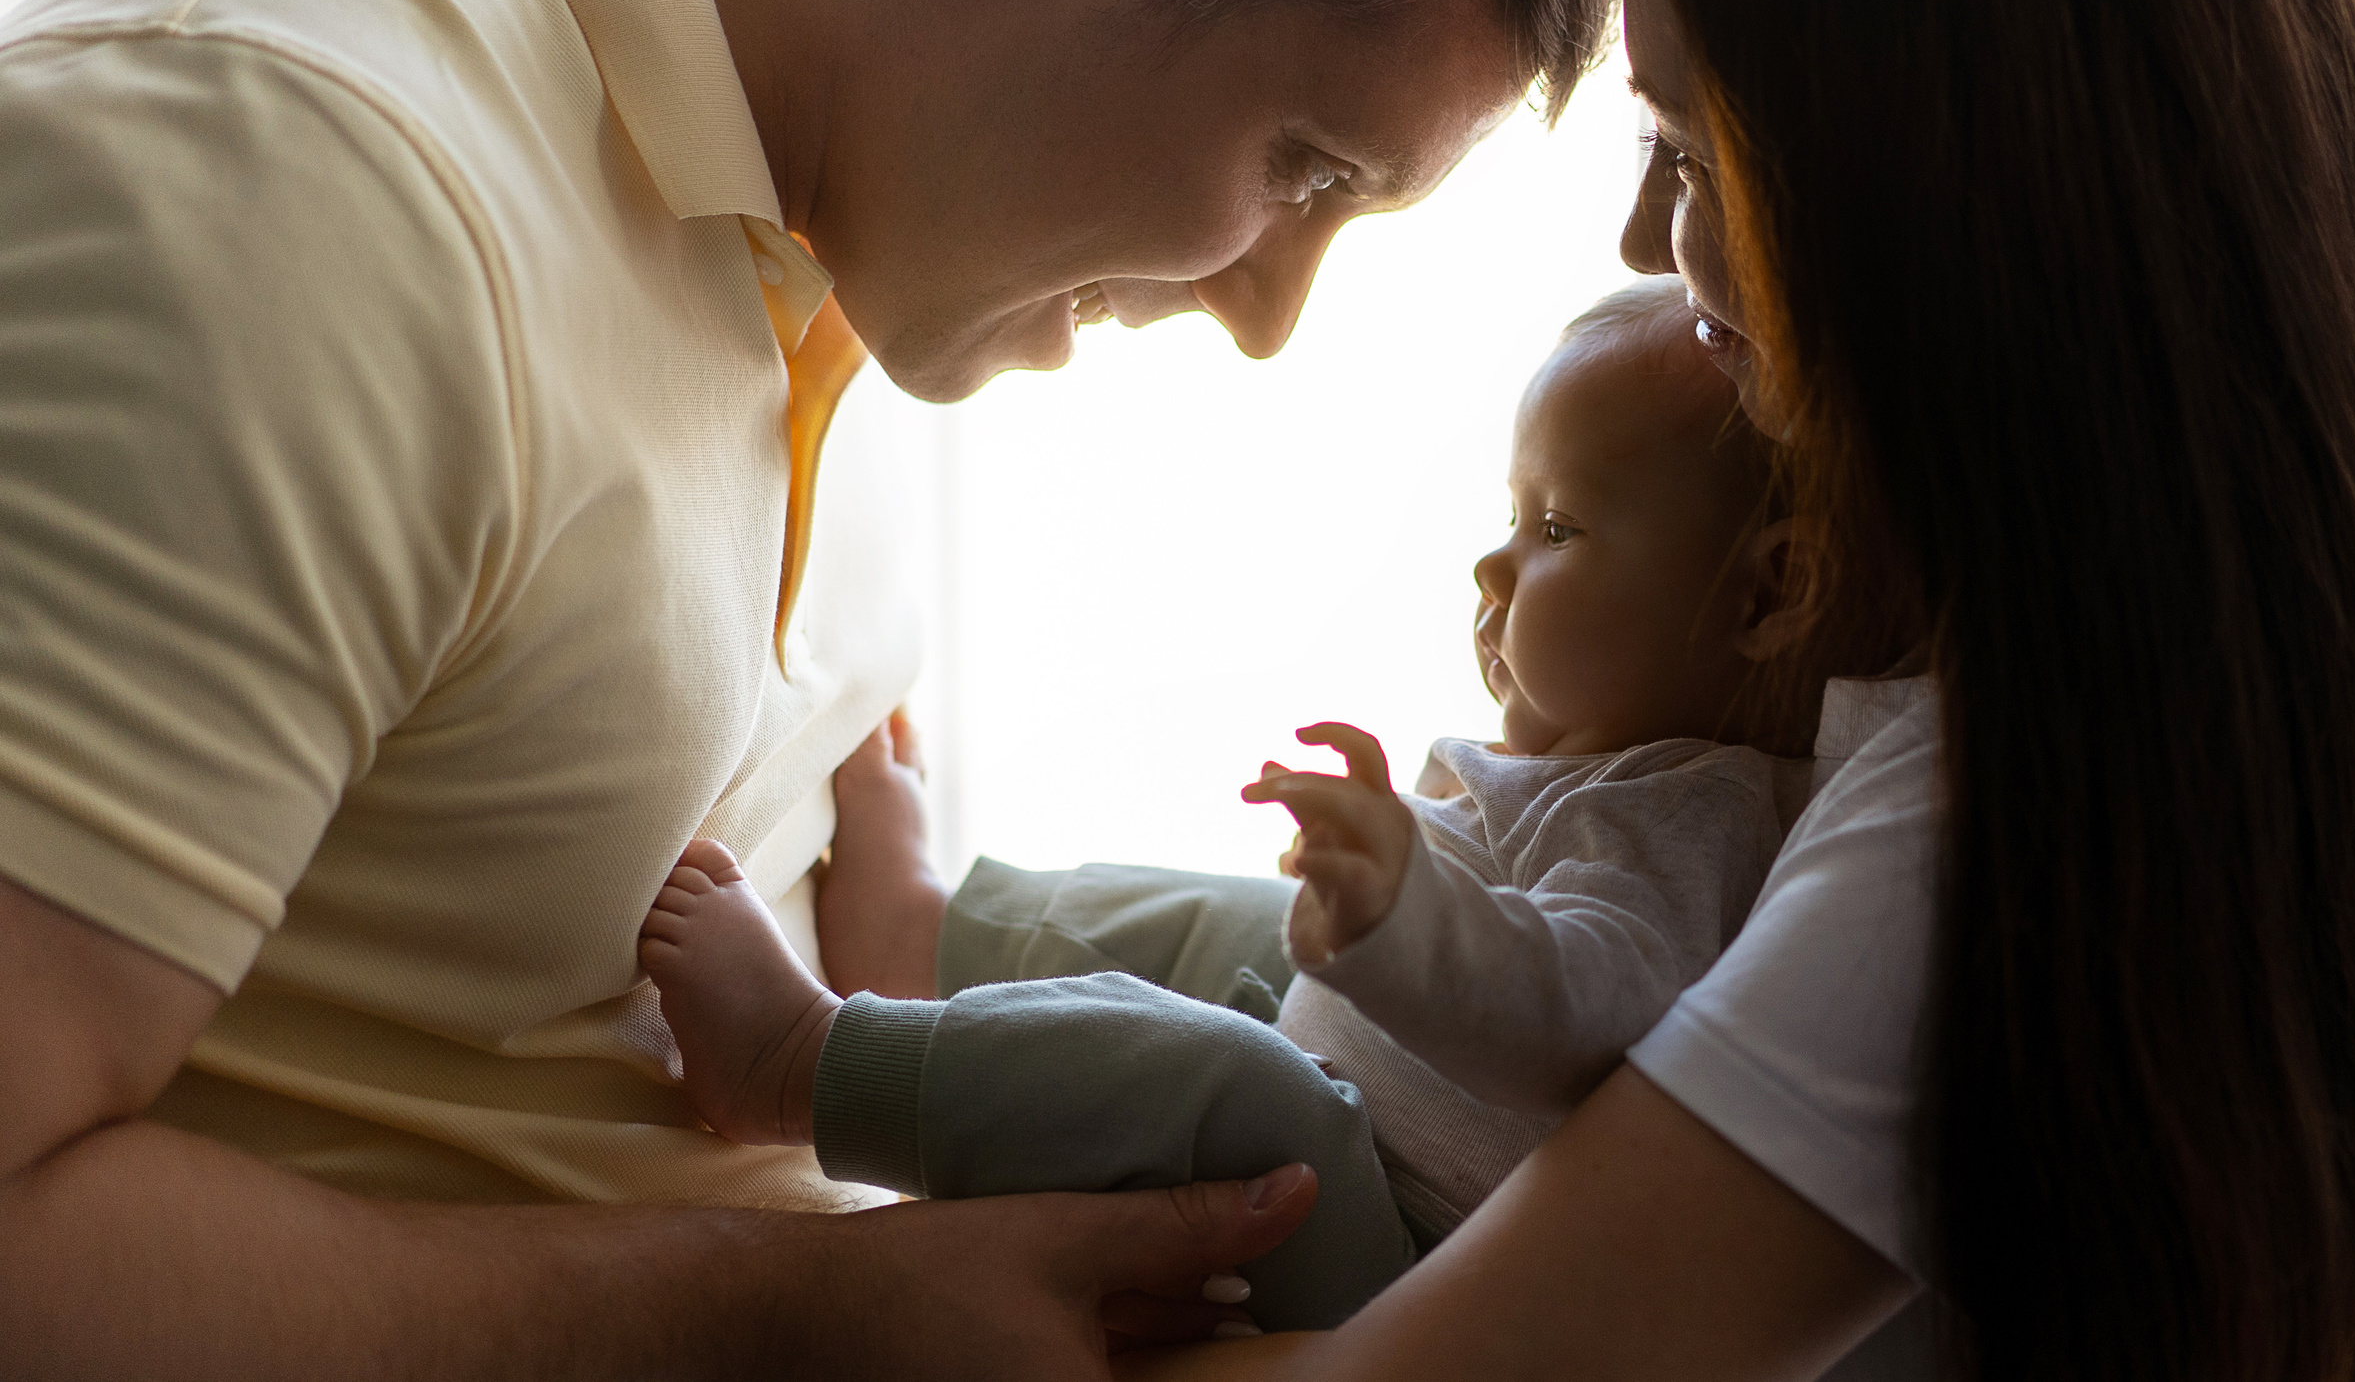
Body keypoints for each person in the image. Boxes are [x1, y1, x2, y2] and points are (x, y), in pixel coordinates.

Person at [0, 0, 1617, 1375]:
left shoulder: (833, 215)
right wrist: (790, 1305)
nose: (1271, 311)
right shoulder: (294, 179)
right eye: (1304, 168)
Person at [1115, 0, 2355, 1379]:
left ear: (1937, 187)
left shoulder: (1966, 840)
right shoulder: (2310, 718)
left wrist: (875, 1307)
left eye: (1695, 152)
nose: (1652, 240)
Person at [636, 277, 1890, 1331]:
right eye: (1511, 516)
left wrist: (1406, 909)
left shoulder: (1690, 819)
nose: (1491, 564)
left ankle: (805, 1067)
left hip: (1396, 1253)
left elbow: (1570, 1010)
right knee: (1229, 925)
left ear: (1765, 596)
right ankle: (930, 936)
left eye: (1555, 527)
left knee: (1229, 1079)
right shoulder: (1611, 772)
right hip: (1367, 1124)